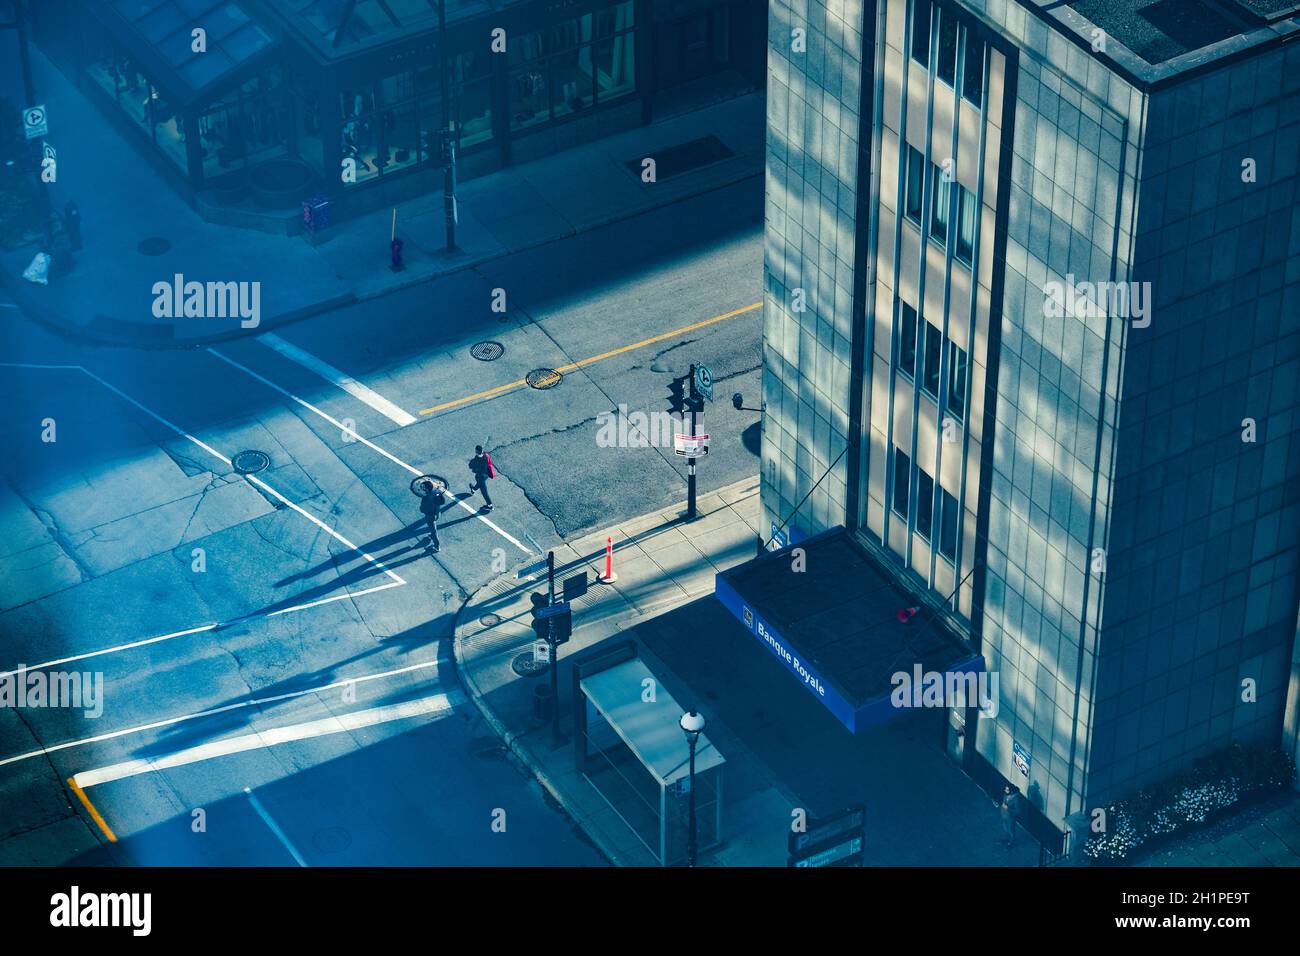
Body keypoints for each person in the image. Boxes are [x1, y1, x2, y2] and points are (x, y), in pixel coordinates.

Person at [418, 479, 446, 552]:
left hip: (430, 516)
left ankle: (437, 546)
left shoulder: (426, 498)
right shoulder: (436, 492)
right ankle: (432, 535)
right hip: (437, 513)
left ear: (427, 489)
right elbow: (442, 501)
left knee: (433, 531)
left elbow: (422, 509)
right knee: (433, 527)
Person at [468, 445, 495, 511]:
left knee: (484, 492)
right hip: (486, 474)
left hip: (480, 476)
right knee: (479, 484)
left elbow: (470, 466)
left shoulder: (476, 459)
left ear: (476, 451)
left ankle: (490, 505)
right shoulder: (486, 455)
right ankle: (473, 489)